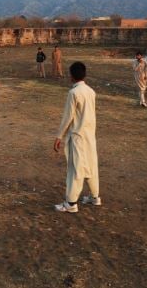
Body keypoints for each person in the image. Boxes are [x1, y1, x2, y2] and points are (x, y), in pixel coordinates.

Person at [53, 62, 99, 213]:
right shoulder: (91, 91)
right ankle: (95, 197)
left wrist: (59, 136)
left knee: (76, 169)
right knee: (91, 166)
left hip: (78, 136)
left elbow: (68, 117)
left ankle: (71, 203)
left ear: (72, 75)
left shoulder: (73, 93)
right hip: (90, 136)